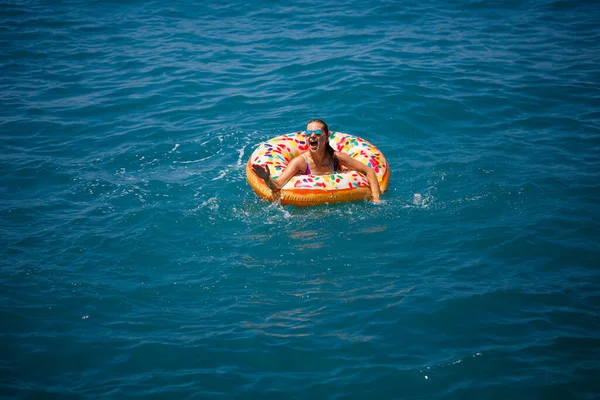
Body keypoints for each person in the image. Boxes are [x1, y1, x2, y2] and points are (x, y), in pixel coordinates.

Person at [251, 119, 381, 202]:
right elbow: (277, 185)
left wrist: (376, 200)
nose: (312, 136)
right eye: (308, 133)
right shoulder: (300, 162)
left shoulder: (337, 158)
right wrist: (267, 178)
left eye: (317, 133)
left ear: (326, 137)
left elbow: (369, 171)